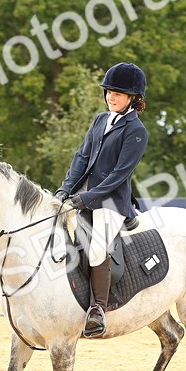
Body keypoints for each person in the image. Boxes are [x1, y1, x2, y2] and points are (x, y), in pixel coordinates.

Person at [55, 62, 149, 338]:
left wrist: (87, 197)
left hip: (110, 201)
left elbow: (120, 174)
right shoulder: (100, 120)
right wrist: (64, 189)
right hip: (82, 194)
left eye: (118, 93)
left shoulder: (136, 130)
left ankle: (98, 308)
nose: (111, 96)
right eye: (109, 91)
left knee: (97, 249)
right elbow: (81, 158)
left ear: (133, 98)